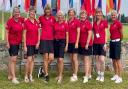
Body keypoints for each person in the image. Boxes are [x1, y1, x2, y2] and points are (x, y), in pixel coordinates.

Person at [5, 7, 24, 84]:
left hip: (18, 42)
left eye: (18, 12)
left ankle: (9, 75)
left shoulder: (20, 19)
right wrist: (7, 42)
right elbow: (6, 32)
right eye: (15, 12)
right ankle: (14, 77)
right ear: (13, 13)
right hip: (12, 43)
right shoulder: (10, 21)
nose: (17, 13)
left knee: (11, 59)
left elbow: (27, 20)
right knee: (14, 59)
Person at [38, 4, 55, 83]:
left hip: (51, 40)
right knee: (45, 58)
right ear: (44, 11)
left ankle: (42, 69)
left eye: (49, 10)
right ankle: (46, 75)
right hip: (44, 40)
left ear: (50, 11)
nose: (47, 11)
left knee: (51, 58)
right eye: (46, 10)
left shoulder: (53, 18)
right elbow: (37, 26)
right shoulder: (41, 18)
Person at [23, 7, 40, 83]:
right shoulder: (26, 22)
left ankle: (30, 75)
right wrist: (25, 45)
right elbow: (24, 34)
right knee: (29, 60)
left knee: (33, 60)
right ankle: (26, 76)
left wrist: (38, 42)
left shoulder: (36, 22)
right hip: (29, 44)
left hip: (35, 44)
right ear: (29, 13)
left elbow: (39, 33)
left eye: (33, 12)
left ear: (35, 13)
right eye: (31, 12)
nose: (32, 13)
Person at [93, 8, 108, 82]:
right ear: (95, 14)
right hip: (95, 43)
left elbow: (106, 33)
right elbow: (93, 33)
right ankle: (98, 75)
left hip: (102, 43)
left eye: (99, 13)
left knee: (102, 60)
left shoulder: (104, 22)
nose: (98, 14)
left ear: (102, 14)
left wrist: (105, 43)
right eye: (97, 13)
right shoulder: (94, 23)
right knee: (97, 60)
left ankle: (102, 75)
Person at [54, 10, 69, 84]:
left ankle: (60, 76)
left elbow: (67, 35)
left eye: (61, 15)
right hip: (55, 42)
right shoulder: (55, 23)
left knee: (60, 59)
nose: (60, 16)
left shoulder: (65, 24)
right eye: (58, 15)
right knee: (57, 60)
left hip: (62, 42)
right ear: (57, 16)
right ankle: (58, 74)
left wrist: (66, 45)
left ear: (63, 16)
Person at [79, 10, 93, 83]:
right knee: (87, 60)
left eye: (84, 15)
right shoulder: (80, 23)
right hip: (81, 44)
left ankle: (86, 76)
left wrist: (87, 43)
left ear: (86, 16)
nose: (82, 16)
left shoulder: (88, 23)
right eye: (81, 15)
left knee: (86, 60)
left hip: (87, 44)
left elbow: (90, 34)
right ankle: (89, 74)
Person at [109, 10, 123, 83]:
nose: (113, 16)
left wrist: (119, 41)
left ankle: (120, 77)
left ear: (116, 16)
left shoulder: (118, 23)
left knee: (117, 60)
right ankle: (116, 75)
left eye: (114, 15)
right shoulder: (111, 24)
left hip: (117, 42)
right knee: (113, 60)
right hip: (112, 42)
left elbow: (121, 34)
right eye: (112, 15)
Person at [68, 8, 80, 82]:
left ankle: (75, 75)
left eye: (72, 13)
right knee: (71, 59)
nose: (71, 14)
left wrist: (76, 42)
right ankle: (73, 73)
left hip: (75, 42)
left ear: (74, 14)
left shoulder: (77, 21)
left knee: (75, 59)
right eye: (70, 13)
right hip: (69, 42)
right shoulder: (68, 21)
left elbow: (78, 32)